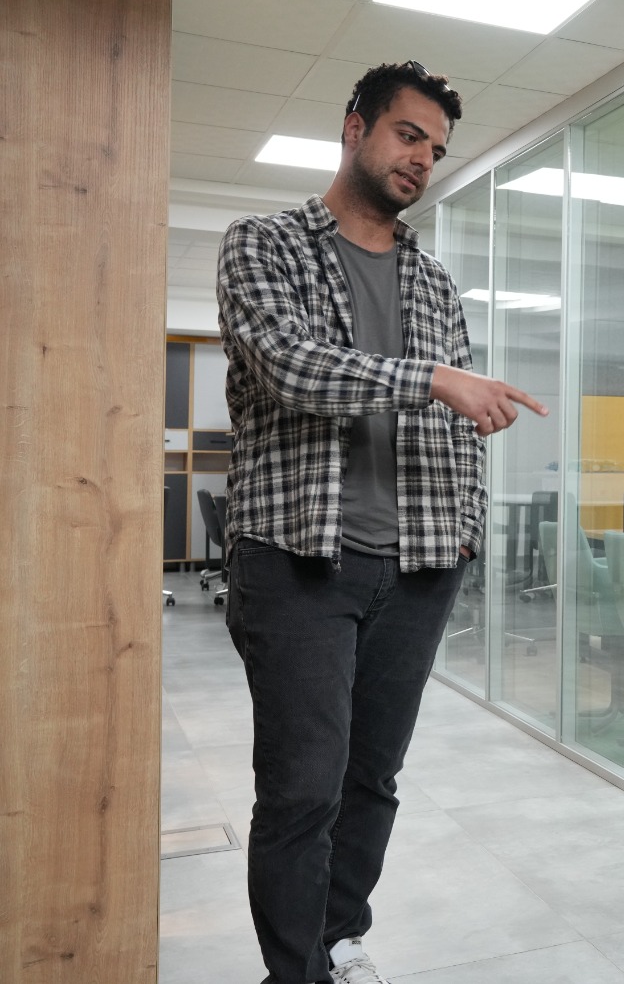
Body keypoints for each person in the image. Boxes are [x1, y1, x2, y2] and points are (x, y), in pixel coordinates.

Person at [216, 61, 546, 984]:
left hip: (419, 568)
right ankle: (296, 973)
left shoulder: (433, 281)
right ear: (355, 127)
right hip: (298, 559)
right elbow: (291, 366)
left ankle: (337, 938)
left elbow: (460, 425)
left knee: (372, 779)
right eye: (409, 135)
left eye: (436, 149)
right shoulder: (264, 245)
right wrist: (433, 378)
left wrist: (464, 534)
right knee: (302, 789)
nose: (422, 159)